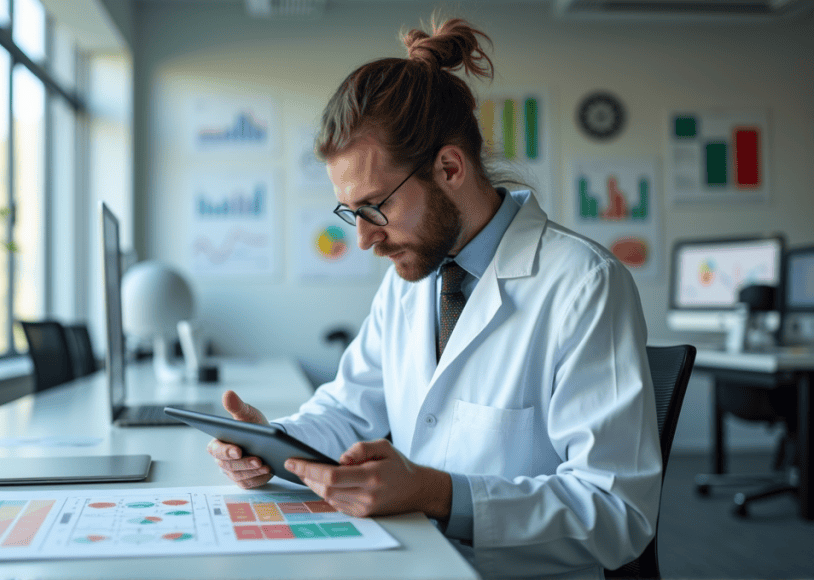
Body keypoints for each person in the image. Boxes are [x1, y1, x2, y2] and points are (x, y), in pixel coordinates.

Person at [207, 16, 661, 579]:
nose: (364, 238)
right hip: (418, 558)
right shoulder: (412, 276)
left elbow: (618, 515)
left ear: (449, 168)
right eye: (351, 213)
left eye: (376, 208)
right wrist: (272, 445)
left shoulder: (583, 284)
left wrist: (438, 494)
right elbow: (350, 408)